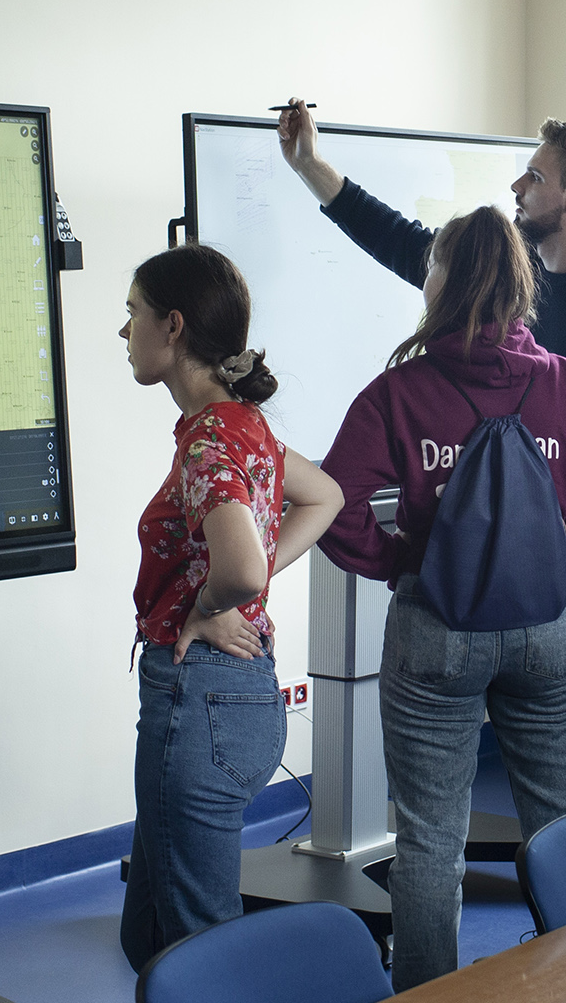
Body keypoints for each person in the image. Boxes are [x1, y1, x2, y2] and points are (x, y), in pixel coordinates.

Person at [313, 207, 566, 990]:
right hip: (547, 630)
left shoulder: (399, 392)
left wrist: (402, 560)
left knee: (427, 843)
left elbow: (328, 504)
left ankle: (429, 993)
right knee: (564, 831)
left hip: (436, 630)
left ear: (439, 285)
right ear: (525, 286)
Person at [278, 100, 566, 812]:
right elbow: (403, 241)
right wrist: (313, 170)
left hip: (559, 581)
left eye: (534, 178)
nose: (518, 190)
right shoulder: (504, 276)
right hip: (469, 578)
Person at [115, 244, 344, 971]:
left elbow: (242, 568)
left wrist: (209, 602)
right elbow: (324, 496)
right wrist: (221, 587)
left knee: (198, 949)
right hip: (231, 700)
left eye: (132, 314)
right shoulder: (244, 425)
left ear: (172, 325)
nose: (125, 333)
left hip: (201, 699)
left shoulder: (212, 437)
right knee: (147, 932)